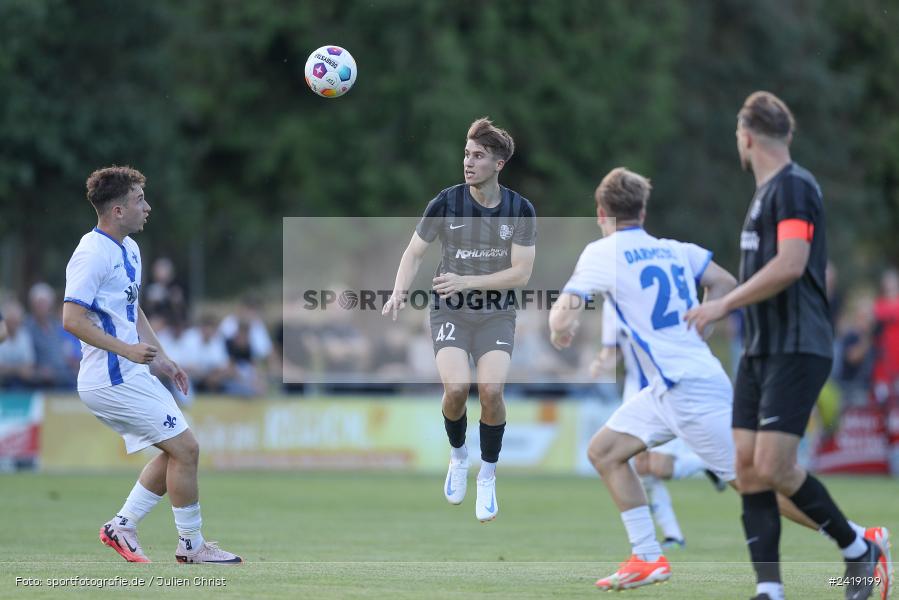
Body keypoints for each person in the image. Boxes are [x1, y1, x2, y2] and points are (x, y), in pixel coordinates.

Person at [684, 91, 890, 600]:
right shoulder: (763, 195)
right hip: (759, 349)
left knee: (775, 466)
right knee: (749, 469)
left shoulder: (794, 188)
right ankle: (769, 590)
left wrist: (722, 305)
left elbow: (793, 263)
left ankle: (860, 551)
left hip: (798, 347)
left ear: (746, 136)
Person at [62, 165, 240, 564]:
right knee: (187, 448)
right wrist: (126, 351)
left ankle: (122, 526)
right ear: (118, 210)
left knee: (176, 451)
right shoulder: (90, 253)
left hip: (130, 372)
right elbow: (71, 319)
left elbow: (131, 309)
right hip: (109, 377)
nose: (148, 207)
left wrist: (162, 357)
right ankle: (191, 546)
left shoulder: (129, 249)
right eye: (139, 199)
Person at [382, 117, 536, 522]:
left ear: (498, 164)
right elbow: (414, 252)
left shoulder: (520, 210)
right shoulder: (445, 201)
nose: (468, 162)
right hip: (449, 309)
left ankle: (488, 474)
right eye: (467, 154)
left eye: (478, 156)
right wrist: (399, 289)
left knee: (491, 391)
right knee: (455, 390)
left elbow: (521, 274)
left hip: (496, 313)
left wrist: (467, 279)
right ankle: (459, 456)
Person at [594, 301, 725, 551]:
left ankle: (705, 463)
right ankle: (673, 536)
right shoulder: (611, 305)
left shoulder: (654, 290)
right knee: (641, 467)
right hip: (636, 391)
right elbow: (612, 351)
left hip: (669, 385)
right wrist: (600, 365)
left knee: (660, 468)